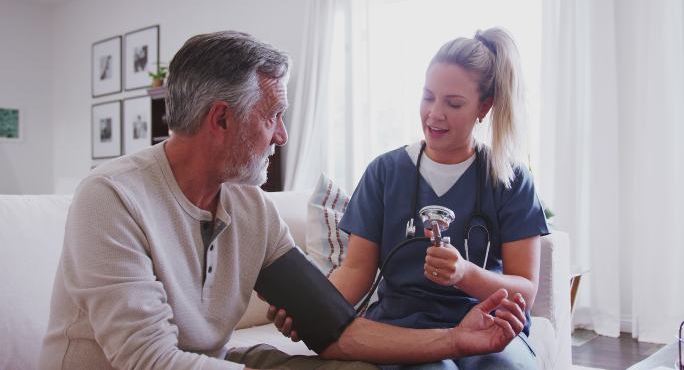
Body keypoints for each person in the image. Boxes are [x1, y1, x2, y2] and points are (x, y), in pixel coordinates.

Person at [38, 30, 528, 370]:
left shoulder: (250, 209)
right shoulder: (111, 199)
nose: (282, 135)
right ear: (222, 120)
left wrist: (455, 340)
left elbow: (336, 329)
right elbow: (150, 361)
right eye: (273, 115)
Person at [271, 27, 549, 370]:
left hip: (488, 325)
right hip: (403, 326)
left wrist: (464, 273)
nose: (435, 113)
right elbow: (356, 270)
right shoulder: (385, 173)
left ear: (485, 106)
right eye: (428, 96)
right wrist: (311, 310)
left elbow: (525, 291)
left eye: (453, 103)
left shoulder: (511, 179)